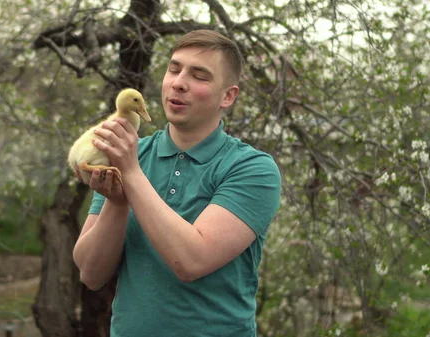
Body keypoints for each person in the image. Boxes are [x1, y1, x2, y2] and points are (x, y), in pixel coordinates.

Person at [72, 29, 282, 337]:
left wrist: (130, 174)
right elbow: (90, 273)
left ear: (228, 96)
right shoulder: (130, 153)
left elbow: (191, 260)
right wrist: (118, 204)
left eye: (199, 75)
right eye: (174, 69)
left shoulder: (252, 169)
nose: (178, 82)